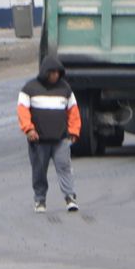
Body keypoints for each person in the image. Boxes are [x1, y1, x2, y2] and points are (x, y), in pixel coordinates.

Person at [18, 56, 81, 213]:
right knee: (39, 171)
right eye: (52, 73)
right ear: (45, 72)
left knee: (64, 167)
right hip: (39, 140)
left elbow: (73, 111)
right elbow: (22, 111)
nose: (55, 76)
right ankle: (40, 200)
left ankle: (70, 197)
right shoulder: (29, 89)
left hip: (61, 139)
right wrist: (29, 129)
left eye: (57, 73)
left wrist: (74, 131)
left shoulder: (65, 89)